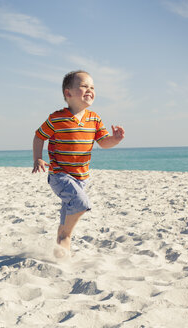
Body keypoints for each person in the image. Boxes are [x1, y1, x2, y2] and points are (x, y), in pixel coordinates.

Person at [32, 70, 125, 258]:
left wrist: (115, 140)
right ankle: (66, 236)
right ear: (68, 93)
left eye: (92, 87)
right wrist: (38, 158)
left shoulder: (94, 118)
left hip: (81, 177)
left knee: (67, 215)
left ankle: (60, 253)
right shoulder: (57, 118)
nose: (90, 90)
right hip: (59, 175)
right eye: (84, 86)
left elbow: (103, 142)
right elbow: (39, 136)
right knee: (81, 204)